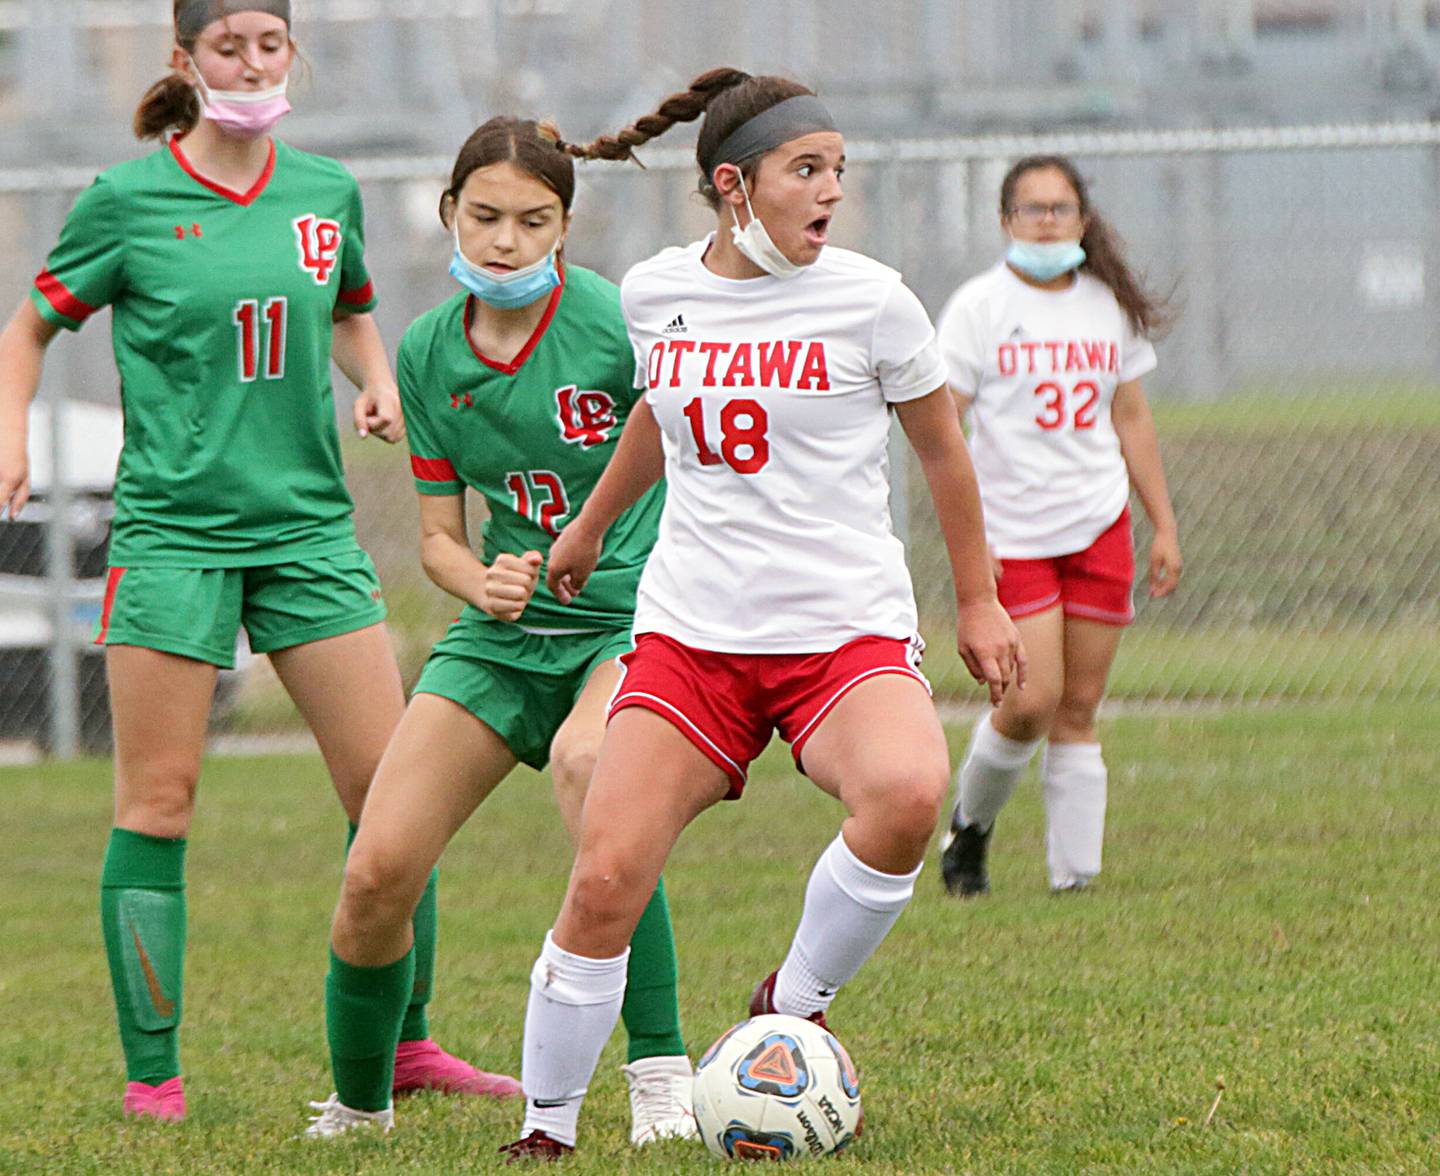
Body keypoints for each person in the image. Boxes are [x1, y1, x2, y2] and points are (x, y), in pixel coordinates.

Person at [495, 68, 1024, 1160]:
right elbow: (661, 410)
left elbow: (943, 454)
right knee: (603, 876)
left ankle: (791, 1002)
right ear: (733, 186)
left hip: (841, 634)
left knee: (909, 791)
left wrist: (979, 601)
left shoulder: (872, 299)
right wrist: (591, 527)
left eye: (839, 169)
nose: (832, 190)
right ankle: (545, 1132)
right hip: (695, 640)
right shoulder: (653, 291)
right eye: (807, 170)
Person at [0, 0, 498, 1123]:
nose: (253, 62)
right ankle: (153, 1079)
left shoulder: (324, 191)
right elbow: (27, 329)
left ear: (290, 54)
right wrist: (10, 430)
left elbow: (352, 314)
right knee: (158, 804)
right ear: (188, 60)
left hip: (309, 533)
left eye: (270, 43)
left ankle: (407, 1047)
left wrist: (370, 376)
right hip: (173, 536)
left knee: (389, 798)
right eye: (230, 46)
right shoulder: (125, 203)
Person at [304, 116, 695, 1143]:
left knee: (588, 769)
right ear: (449, 215)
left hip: (629, 622)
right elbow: (438, 538)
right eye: (485, 217)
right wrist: (485, 586)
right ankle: (358, 1105)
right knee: (376, 870)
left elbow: (688, 450)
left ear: (565, 228)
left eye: (534, 221)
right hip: (501, 638)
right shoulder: (430, 352)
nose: (506, 241)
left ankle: (660, 1073)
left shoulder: (615, 322)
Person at [934, 154, 1182, 898]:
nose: (1048, 222)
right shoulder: (979, 306)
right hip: (1014, 532)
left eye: (1061, 209)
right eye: (1033, 209)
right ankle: (969, 830)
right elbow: (946, 424)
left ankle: (1075, 881)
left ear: (1083, 219)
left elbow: (1131, 416)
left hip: (1097, 522)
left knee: (1079, 705)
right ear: (1006, 221)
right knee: (1029, 702)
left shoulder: (1104, 305)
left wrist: (1162, 523)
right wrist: (972, 542)